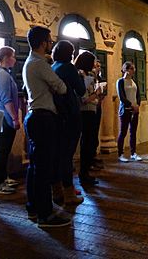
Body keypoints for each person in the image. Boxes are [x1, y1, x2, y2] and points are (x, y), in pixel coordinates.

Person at [22, 26, 70, 228]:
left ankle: (34, 206)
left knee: (35, 166)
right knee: (43, 168)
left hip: (34, 116)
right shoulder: (39, 64)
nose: (51, 44)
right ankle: (45, 214)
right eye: (49, 41)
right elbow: (62, 87)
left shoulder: (30, 63)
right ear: (43, 43)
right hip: (43, 117)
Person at [51, 40, 85, 204]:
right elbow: (81, 90)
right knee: (67, 155)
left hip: (57, 115)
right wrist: (79, 76)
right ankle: (69, 192)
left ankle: (59, 190)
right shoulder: (68, 67)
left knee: (59, 154)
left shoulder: (52, 67)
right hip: (70, 114)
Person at [0, 46, 19, 195]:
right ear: (7, 58)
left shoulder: (4, 74)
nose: (15, 59)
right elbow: (6, 99)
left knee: (5, 150)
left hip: (3, 116)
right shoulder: (2, 75)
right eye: (13, 56)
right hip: (4, 117)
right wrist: (14, 118)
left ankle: (3, 177)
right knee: (2, 150)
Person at [75, 51, 102, 185]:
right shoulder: (80, 75)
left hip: (90, 110)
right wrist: (96, 94)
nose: (94, 64)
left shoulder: (87, 75)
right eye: (93, 61)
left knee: (89, 143)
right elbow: (84, 99)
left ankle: (85, 172)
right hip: (85, 112)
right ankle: (83, 174)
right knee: (86, 143)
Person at [116, 61, 142, 162]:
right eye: (131, 68)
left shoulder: (134, 82)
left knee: (133, 132)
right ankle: (120, 154)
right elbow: (121, 97)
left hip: (135, 110)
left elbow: (138, 95)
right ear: (125, 69)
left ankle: (133, 153)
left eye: (133, 68)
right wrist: (131, 105)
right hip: (125, 110)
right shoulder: (120, 81)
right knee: (123, 132)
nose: (133, 70)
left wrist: (137, 105)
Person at [90, 60, 106, 170]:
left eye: (99, 66)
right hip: (90, 108)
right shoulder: (88, 78)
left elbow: (102, 93)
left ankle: (93, 155)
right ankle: (89, 158)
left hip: (98, 107)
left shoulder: (99, 79)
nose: (98, 68)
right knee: (90, 134)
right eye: (96, 66)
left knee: (95, 132)